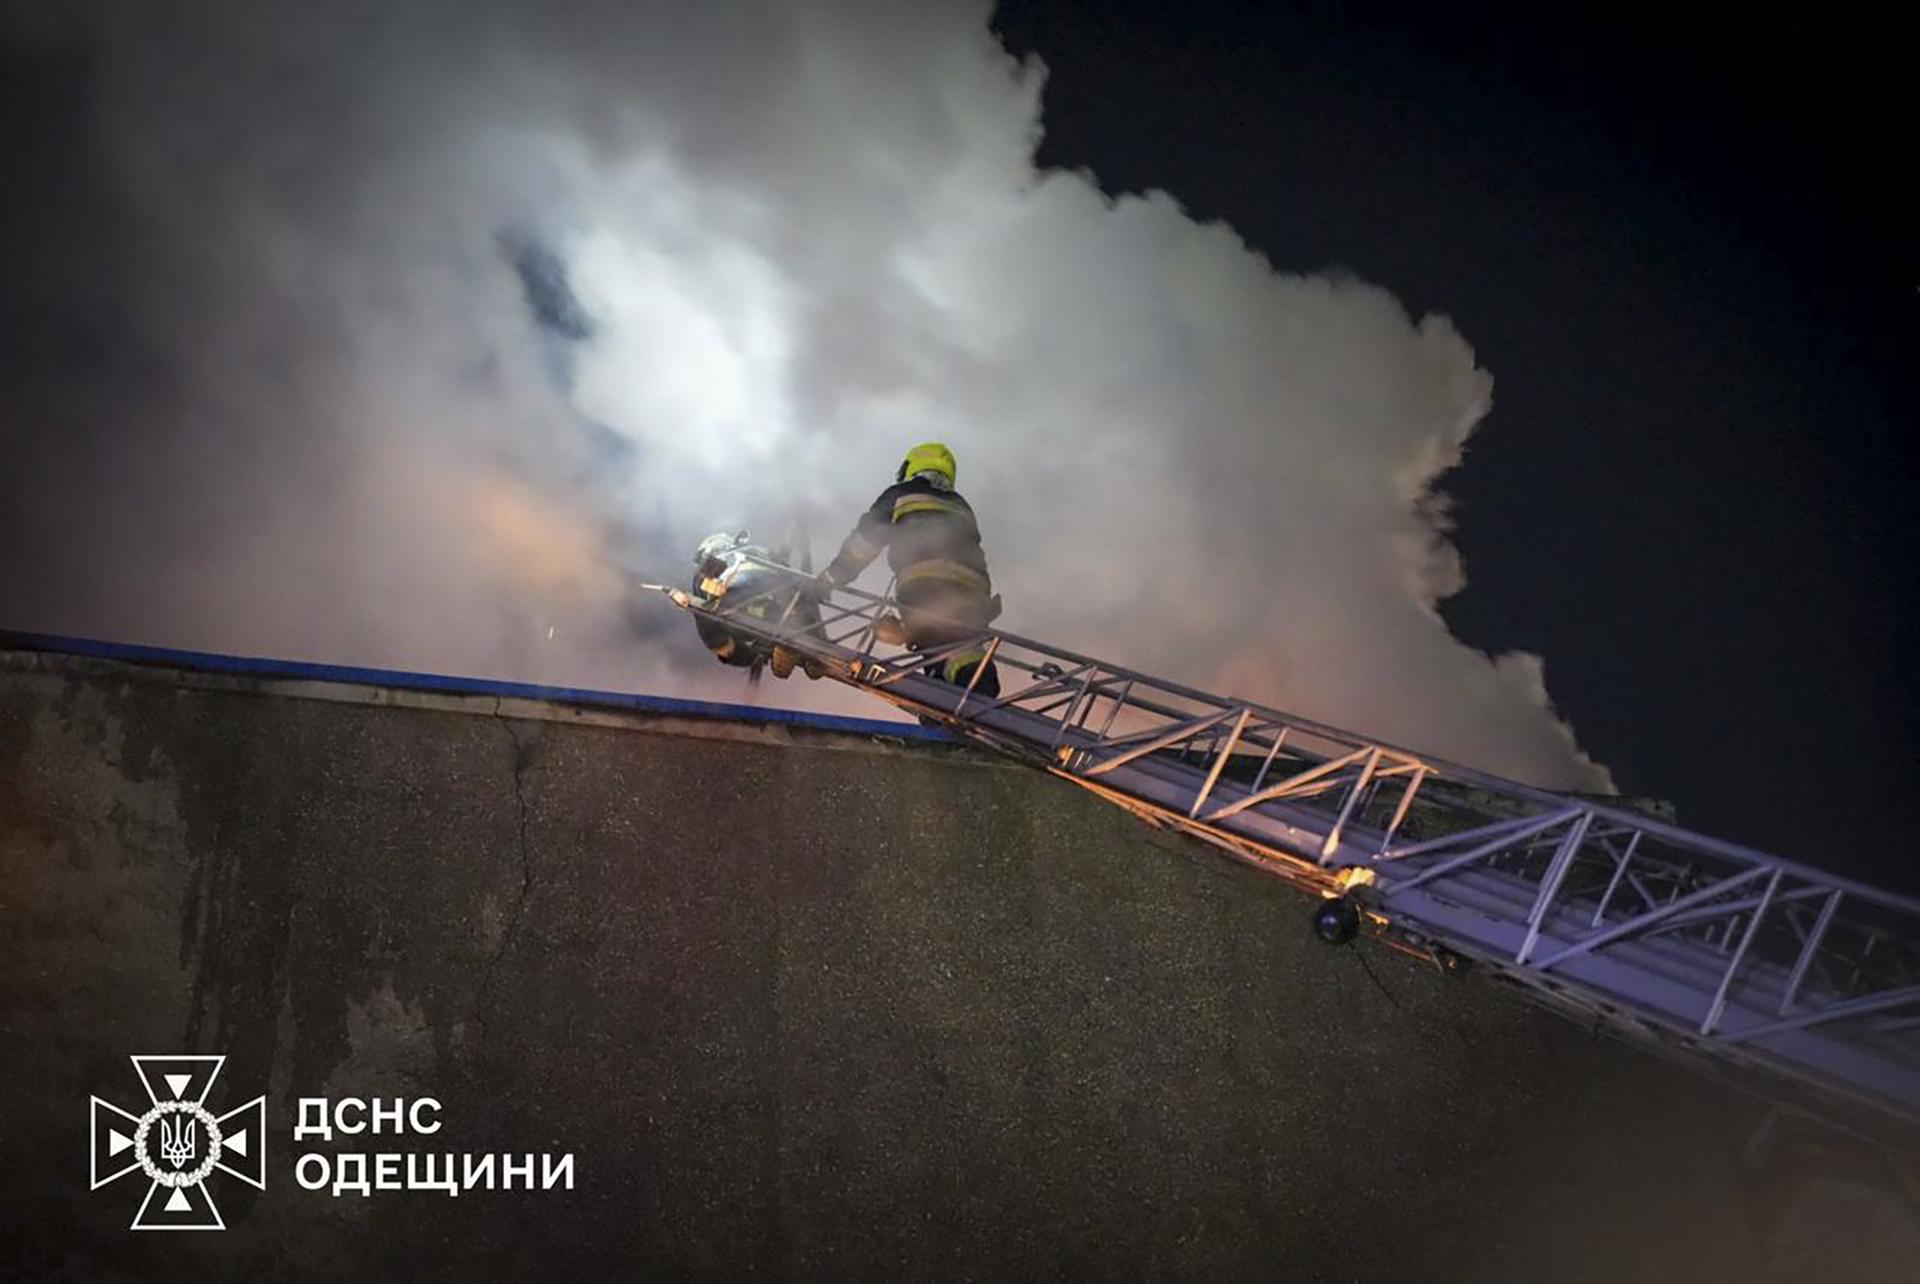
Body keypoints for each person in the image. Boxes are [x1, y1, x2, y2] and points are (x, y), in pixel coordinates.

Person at [813, 442, 1001, 697]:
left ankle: (939, 702)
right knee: (963, 649)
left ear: (912, 467)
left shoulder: (902, 493)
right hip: (972, 592)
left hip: (924, 584)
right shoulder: (961, 504)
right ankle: (980, 691)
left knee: (934, 646)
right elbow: (974, 550)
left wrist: (833, 577)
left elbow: (866, 541)